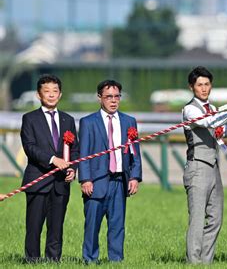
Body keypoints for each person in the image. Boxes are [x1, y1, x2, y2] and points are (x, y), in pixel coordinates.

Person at [182, 66, 227, 264]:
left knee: (216, 218)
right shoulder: (190, 109)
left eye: (207, 84)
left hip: (214, 167)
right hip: (197, 167)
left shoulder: (214, 109)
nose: (204, 88)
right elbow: (209, 122)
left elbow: (222, 131)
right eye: (199, 85)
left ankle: (205, 260)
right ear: (192, 87)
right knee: (198, 219)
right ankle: (193, 261)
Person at [78, 80, 142, 264]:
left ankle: (116, 260)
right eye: (109, 97)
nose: (113, 101)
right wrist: (85, 179)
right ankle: (90, 259)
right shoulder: (88, 122)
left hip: (119, 181)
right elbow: (84, 154)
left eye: (117, 96)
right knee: (92, 225)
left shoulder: (129, 121)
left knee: (117, 225)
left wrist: (135, 176)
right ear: (100, 98)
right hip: (97, 181)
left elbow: (135, 152)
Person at [20, 74, 79, 263]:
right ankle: (32, 261)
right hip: (38, 180)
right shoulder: (29, 118)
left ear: (60, 95)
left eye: (55, 91)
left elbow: (75, 148)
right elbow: (30, 147)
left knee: (56, 226)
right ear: (39, 95)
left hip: (61, 183)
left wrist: (72, 168)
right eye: (47, 91)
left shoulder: (68, 120)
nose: (51, 95)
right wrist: (54, 159)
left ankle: (54, 261)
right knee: (34, 226)